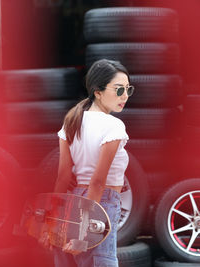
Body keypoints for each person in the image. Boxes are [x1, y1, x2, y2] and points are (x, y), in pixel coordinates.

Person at [52, 59, 134, 267]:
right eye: (118, 90)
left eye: (128, 89)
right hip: (101, 203)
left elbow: (63, 177)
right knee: (101, 262)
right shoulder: (114, 126)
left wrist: (52, 219)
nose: (124, 96)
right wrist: (83, 233)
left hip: (75, 200)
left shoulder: (71, 121)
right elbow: (97, 182)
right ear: (98, 91)